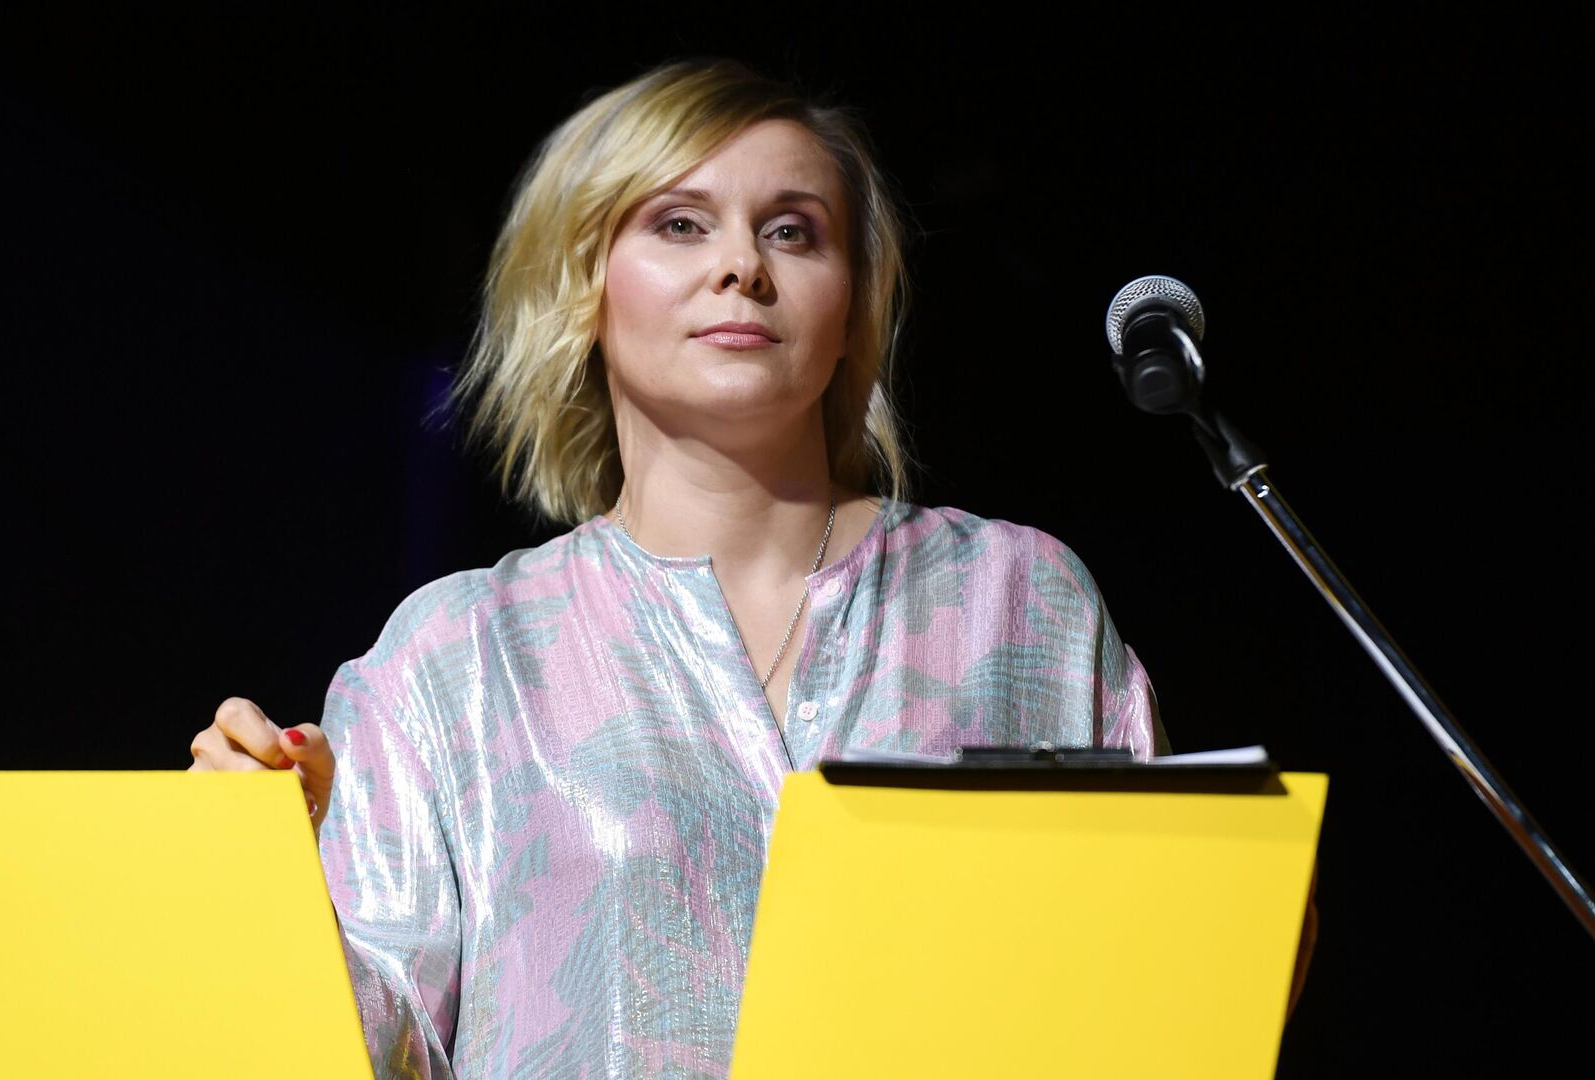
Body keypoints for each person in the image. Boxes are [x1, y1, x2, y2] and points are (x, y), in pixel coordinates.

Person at [188, 58, 1173, 1077]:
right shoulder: (456, 657)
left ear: (852, 309)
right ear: (584, 285)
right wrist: (258, 878)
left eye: (792, 231)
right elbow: (378, 1050)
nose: (743, 264)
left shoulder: (1018, 603)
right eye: (681, 224)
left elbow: (1150, 972)